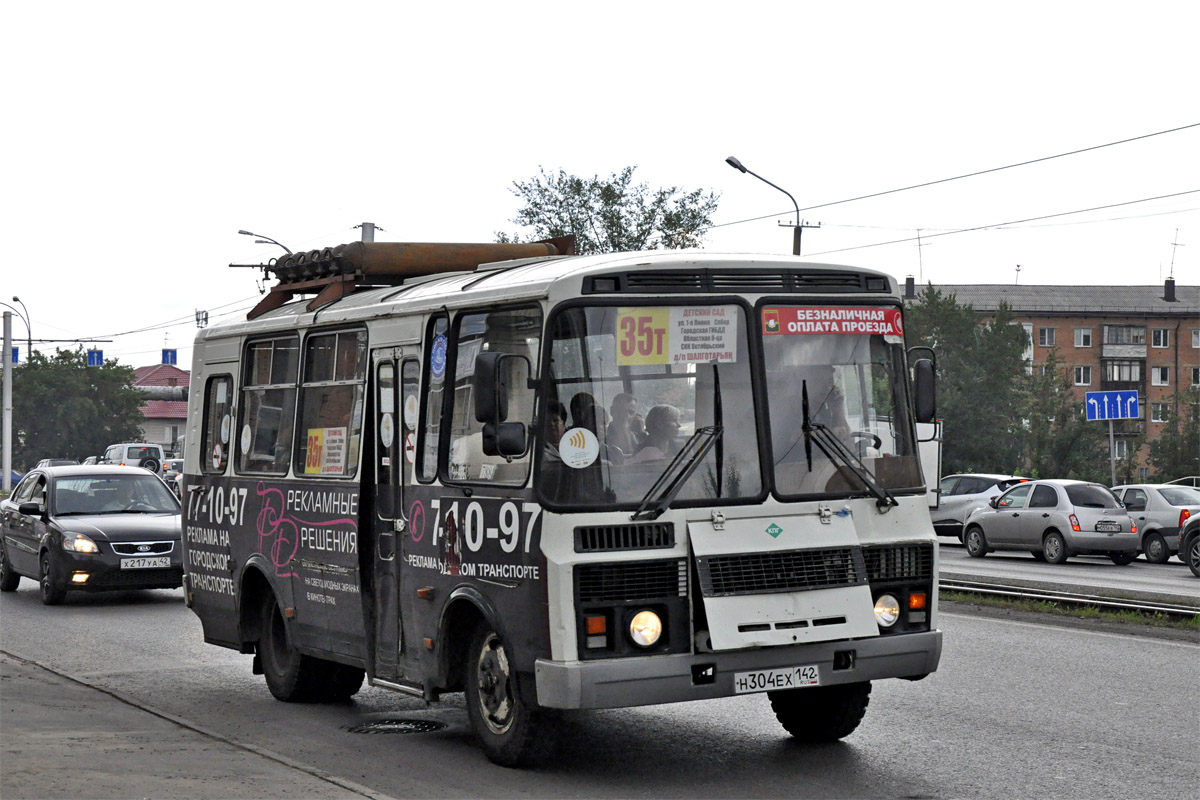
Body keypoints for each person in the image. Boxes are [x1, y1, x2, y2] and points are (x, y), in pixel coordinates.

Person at [606, 393, 639, 457]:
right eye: (621, 411)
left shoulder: (640, 437)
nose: (626, 416)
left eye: (631, 412)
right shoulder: (603, 435)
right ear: (612, 411)